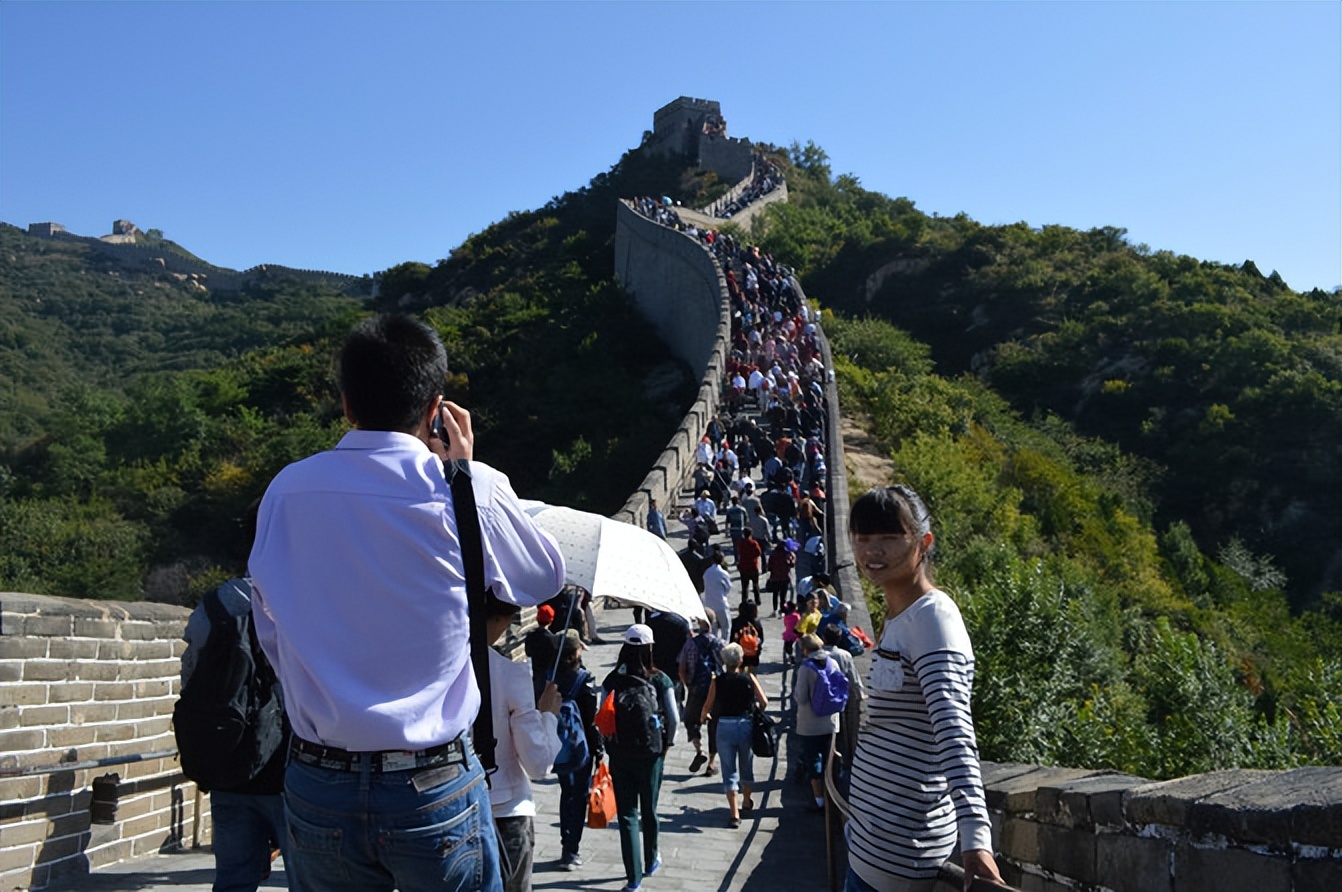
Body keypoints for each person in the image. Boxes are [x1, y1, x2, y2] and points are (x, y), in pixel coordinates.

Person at [248, 313, 566, 892]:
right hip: (434, 780)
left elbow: (269, 627)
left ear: (346, 405)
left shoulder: (287, 490)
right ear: (435, 407)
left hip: (320, 778)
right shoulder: (465, 486)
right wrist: (467, 471)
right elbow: (541, 577)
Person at [844, 486, 1004, 892]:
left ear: (924, 542)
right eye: (862, 539)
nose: (872, 552)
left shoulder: (934, 620)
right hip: (868, 844)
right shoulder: (900, 615)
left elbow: (955, 732)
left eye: (888, 538)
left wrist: (977, 840)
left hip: (900, 855)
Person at [179, 577, 289, 892]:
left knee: (233, 879)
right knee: (308, 878)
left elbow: (190, 678)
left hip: (226, 764)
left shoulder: (215, 603)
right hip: (284, 768)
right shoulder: (298, 600)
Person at [484, 594, 562, 892]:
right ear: (500, 618)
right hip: (505, 810)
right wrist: (548, 716)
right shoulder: (508, 673)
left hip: (451, 809)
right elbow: (538, 762)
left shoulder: (433, 670)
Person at [603, 624, 680, 892]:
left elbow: (603, 718)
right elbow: (674, 717)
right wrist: (667, 744)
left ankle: (633, 877)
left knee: (627, 815)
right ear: (650, 648)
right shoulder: (660, 679)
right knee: (650, 809)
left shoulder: (613, 679)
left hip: (620, 753)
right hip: (651, 754)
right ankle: (651, 859)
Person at [699, 643, 767, 828]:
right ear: (740, 660)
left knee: (729, 769)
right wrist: (756, 712)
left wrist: (704, 717)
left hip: (724, 726)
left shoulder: (717, 681)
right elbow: (764, 701)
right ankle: (746, 800)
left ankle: (734, 813)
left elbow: (707, 705)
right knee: (746, 764)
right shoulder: (748, 678)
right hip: (745, 724)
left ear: (724, 661)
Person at [551, 630, 603, 872]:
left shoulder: (548, 677)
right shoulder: (584, 679)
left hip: (557, 745)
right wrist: (599, 749)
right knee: (579, 796)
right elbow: (591, 720)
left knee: (566, 793)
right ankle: (571, 850)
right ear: (575, 652)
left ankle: (565, 843)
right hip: (581, 748)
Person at [792, 634, 839, 814]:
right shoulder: (833, 663)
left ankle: (819, 800)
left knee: (814, 761)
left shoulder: (805, 668)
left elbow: (801, 697)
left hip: (809, 724)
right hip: (831, 722)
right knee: (829, 760)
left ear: (805, 649)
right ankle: (831, 795)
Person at [678, 614, 724, 778]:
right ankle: (711, 763)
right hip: (716, 689)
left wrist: (688, 684)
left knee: (690, 720)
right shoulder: (719, 643)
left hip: (697, 687)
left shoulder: (691, 643)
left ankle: (700, 749)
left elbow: (682, 668)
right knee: (714, 725)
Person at [524, 604, 560, 704]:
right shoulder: (553, 639)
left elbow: (528, 652)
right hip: (549, 673)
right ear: (551, 620)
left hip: (535, 671)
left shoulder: (531, 635)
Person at [701, 550, 734, 641]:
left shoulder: (707, 573)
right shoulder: (723, 573)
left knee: (713, 629)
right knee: (726, 628)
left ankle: (714, 646)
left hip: (709, 603)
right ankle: (724, 645)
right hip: (721, 603)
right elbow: (728, 587)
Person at [729, 601, 765, 675]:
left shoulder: (736, 622)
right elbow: (761, 638)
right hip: (753, 653)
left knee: (740, 674)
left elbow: (731, 638)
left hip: (740, 652)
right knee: (752, 674)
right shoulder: (756, 622)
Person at [766, 540, 796, 617]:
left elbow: (769, 566)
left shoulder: (773, 553)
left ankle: (775, 610)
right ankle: (782, 610)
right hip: (785, 577)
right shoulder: (788, 554)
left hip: (775, 577)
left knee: (775, 594)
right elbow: (791, 564)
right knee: (783, 595)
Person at [736, 528, 763, 605]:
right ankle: (757, 600)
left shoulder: (741, 543)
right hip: (753, 565)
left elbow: (739, 552)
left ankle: (744, 600)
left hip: (743, 566)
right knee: (755, 584)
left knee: (744, 585)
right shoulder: (754, 543)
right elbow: (759, 552)